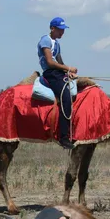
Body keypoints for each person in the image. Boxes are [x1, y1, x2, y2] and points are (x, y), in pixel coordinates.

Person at [37, 17, 78, 149]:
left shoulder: (57, 43)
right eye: (60, 30)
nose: (62, 32)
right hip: (51, 74)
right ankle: (63, 138)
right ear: (52, 28)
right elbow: (50, 62)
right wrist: (68, 68)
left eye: (63, 30)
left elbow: (60, 62)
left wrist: (68, 72)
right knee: (65, 98)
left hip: (58, 73)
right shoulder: (45, 40)